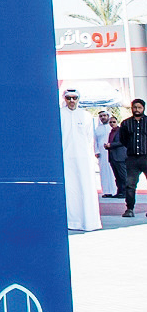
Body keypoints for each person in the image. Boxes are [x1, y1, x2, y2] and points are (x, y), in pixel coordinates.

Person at [60, 88, 104, 233]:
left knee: (86, 188)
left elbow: (90, 139)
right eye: (69, 98)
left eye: (74, 98)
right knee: (69, 189)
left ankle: (89, 221)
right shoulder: (59, 115)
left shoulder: (86, 116)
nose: (72, 101)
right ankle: (72, 221)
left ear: (78, 99)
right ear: (65, 99)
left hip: (84, 158)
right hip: (66, 158)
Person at [118, 99, 147, 218]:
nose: (137, 110)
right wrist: (132, 148)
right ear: (132, 108)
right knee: (130, 185)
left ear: (143, 108)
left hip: (146, 157)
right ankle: (129, 209)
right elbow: (123, 139)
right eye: (135, 107)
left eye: (139, 108)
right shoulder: (126, 123)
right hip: (132, 159)